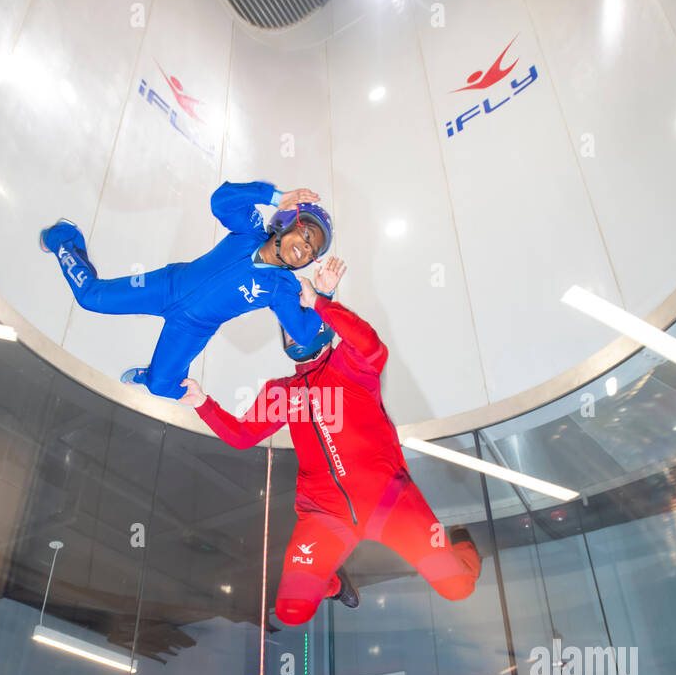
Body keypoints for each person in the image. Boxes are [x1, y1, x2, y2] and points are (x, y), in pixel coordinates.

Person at [180, 264, 482, 625]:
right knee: (291, 612)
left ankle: (463, 544)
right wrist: (202, 402)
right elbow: (242, 436)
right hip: (324, 516)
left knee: (458, 587)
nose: (293, 337)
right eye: (287, 333)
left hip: (390, 502)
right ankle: (334, 584)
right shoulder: (283, 392)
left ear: (319, 327)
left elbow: (372, 345)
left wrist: (322, 302)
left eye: (298, 326)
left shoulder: (350, 365)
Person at [40, 182, 337, 400]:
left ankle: (152, 374)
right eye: (307, 234)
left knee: (160, 387)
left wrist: (323, 297)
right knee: (90, 298)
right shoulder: (251, 230)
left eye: (313, 249)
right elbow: (221, 201)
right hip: (167, 287)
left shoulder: (282, 287)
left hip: (192, 328)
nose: (305, 247)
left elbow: (302, 333)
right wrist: (274, 196)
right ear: (289, 223)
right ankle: (65, 237)